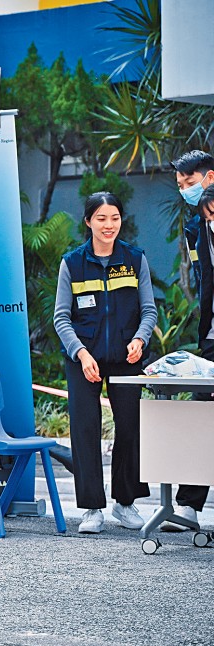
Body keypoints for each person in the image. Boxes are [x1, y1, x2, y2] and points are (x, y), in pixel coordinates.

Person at [53, 191, 157, 534]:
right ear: (88, 222)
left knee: (130, 427)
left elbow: (148, 310)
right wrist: (80, 353)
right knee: (85, 430)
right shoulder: (72, 263)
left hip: (127, 358)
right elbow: (61, 318)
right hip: (83, 357)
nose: (108, 225)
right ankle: (92, 508)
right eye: (101, 219)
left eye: (114, 218)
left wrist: (140, 339)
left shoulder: (135, 259)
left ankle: (125, 503)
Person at [164, 151, 214, 530]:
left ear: (209, 177)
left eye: (190, 183)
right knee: (203, 414)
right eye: (181, 186)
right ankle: (187, 508)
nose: (186, 191)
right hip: (212, 336)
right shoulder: (196, 226)